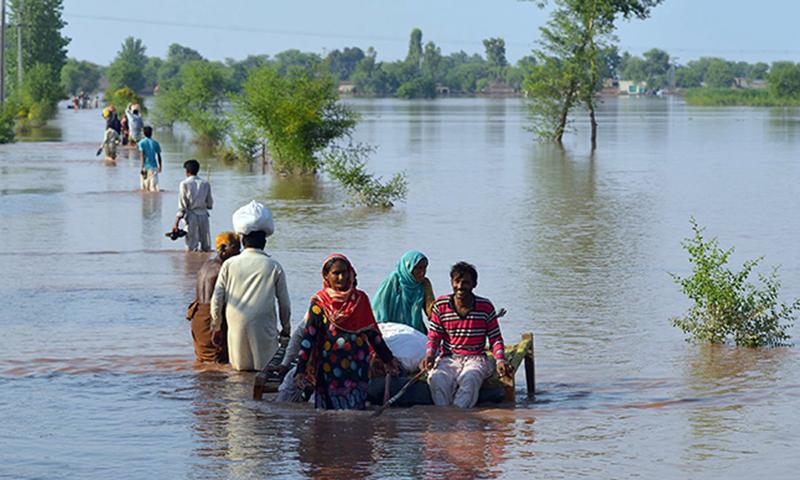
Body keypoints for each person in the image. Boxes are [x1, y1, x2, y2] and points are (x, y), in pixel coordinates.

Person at [293, 254, 400, 410]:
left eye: (345, 272)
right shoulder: (320, 303)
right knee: (329, 414)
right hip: (329, 368)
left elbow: (373, 335)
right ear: (326, 276)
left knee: (355, 410)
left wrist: (388, 360)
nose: (341, 277)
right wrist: (300, 370)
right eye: (336, 273)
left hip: (357, 367)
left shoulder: (360, 299)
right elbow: (309, 336)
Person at [210, 211, 291, 371]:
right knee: (264, 371)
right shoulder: (273, 266)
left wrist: (217, 325)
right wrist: (286, 330)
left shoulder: (229, 265)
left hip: (236, 324)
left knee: (239, 373)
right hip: (264, 326)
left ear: (242, 240)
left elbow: (217, 299)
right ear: (264, 242)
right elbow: (284, 304)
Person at [424, 261, 509, 409]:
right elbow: (434, 336)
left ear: (474, 284)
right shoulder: (441, 305)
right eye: (457, 282)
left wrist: (500, 360)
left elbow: (495, 338)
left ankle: (461, 420)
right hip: (449, 358)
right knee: (437, 379)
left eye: (466, 283)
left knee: (470, 378)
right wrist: (430, 355)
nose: (460, 287)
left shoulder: (485, 307)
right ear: (452, 282)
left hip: (475, 358)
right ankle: (445, 420)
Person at [187, 232, 240, 363]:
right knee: (217, 363)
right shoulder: (223, 269)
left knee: (203, 362)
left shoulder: (206, 265)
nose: (239, 253)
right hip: (210, 319)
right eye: (235, 249)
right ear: (222, 249)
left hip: (197, 317)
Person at [371, 250, 435, 334]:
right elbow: (380, 306)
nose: (422, 272)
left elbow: (431, 311)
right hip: (393, 331)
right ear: (409, 267)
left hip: (416, 331)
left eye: (424, 268)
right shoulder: (394, 280)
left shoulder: (424, 284)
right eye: (419, 268)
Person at [173, 159, 213, 252]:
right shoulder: (205, 183)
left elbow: (182, 206)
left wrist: (176, 223)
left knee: (191, 247)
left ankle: (191, 265)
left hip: (191, 217)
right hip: (204, 216)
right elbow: (210, 204)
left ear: (187, 171)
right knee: (206, 246)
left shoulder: (184, 184)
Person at [138, 126, 162, 192]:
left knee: (145, 187)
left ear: (144, 133)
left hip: (145, 166)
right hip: (154, 167)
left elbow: (142, 155)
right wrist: (160, 166)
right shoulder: (155, 143)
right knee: (154, 188)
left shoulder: (141, 143)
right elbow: (159, 156)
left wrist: (142, 167)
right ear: (151, 133)